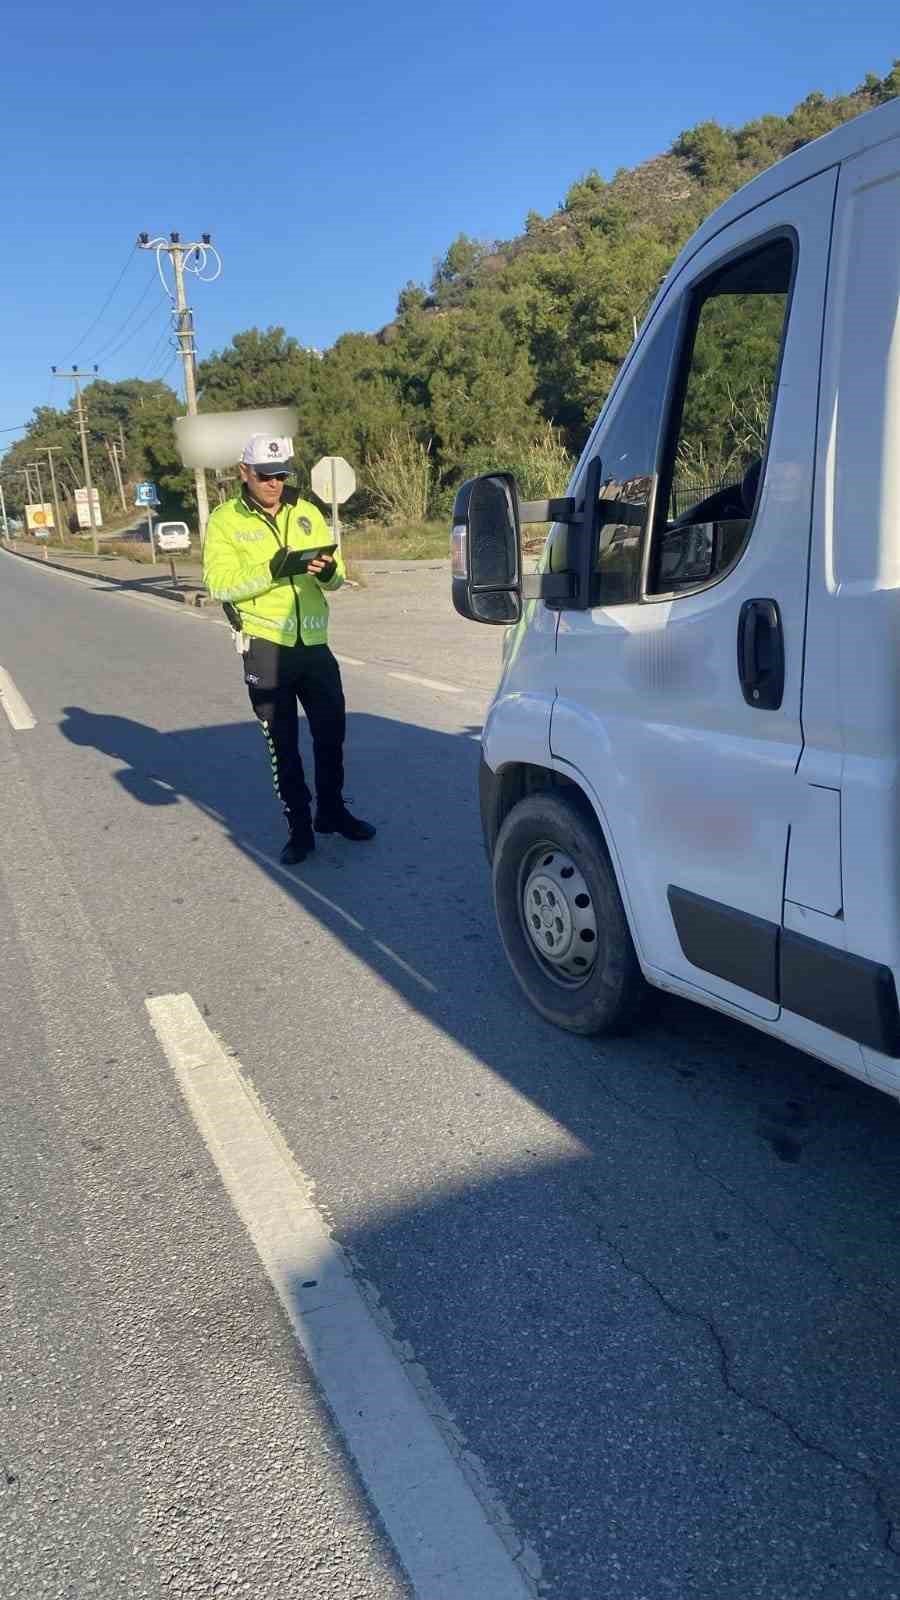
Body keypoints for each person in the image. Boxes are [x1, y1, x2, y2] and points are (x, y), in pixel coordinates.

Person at [203, 433, 375, 865]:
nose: (274, 483)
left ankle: (332, 814)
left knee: (331, 735)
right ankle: (299, 829)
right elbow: (220, 585)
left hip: (314, 644)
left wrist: (330, 571)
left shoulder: (307, 511)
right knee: (284, 745)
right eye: (264, 475)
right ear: (244, 472)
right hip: (266, 646)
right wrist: (273, 570)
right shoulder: (225, 520)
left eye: (280, 474)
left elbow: (333, 582)